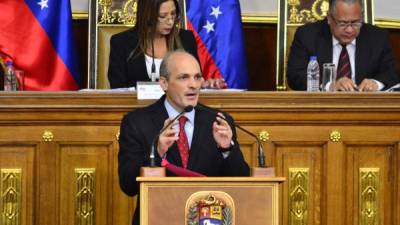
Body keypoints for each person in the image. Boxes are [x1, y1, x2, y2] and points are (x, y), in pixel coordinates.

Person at [118, 50, 250, 225]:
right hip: (158, 219)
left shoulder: (218, 121)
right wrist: (157, 152)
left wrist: (226, 149)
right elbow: (128, 185)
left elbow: (242, 182)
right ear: (164, 83)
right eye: (183, 77)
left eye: (197, 77)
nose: (193, 85)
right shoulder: (137, 122)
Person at [108, 0, 227, 89]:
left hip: (180, 111)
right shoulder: (121, 42)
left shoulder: (186, 39)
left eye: (173, 14)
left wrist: (205, 85)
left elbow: (195, 79)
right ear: (147, 16)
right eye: (163, 16)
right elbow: (118, 87)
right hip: (137, 113)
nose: (170, 21)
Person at [287, 0, 399, 92]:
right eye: (343, 23)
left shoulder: (378, 37)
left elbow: (392, 74)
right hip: (321, 107)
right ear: (329, 18)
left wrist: (376, 84)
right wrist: (329, 86)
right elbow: (294, 76)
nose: (350, 30)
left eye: (355, 23)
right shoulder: (307, 35)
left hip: (365, 107)